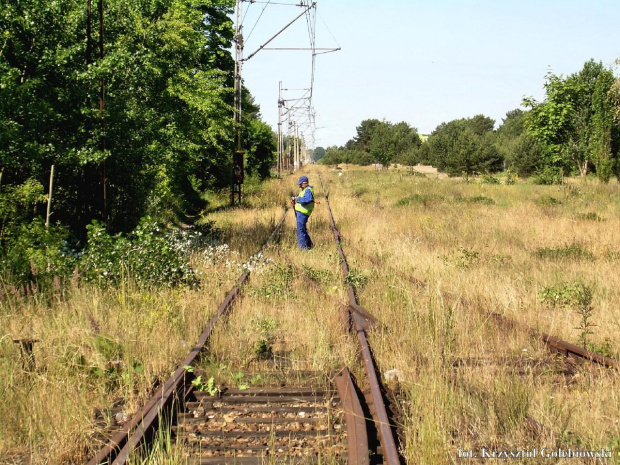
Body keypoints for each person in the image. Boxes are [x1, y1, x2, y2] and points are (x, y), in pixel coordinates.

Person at [292, 175, 314, 250]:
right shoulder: (305, 190)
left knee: (300, 230)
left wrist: (298, 199)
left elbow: (307, 199)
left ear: (304, 183)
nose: (299, 186)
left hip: (303, 213)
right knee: (302, 229)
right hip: (301, 212)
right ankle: (309, 245)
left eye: (300, 184)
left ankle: (303, 248)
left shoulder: (307, 190)